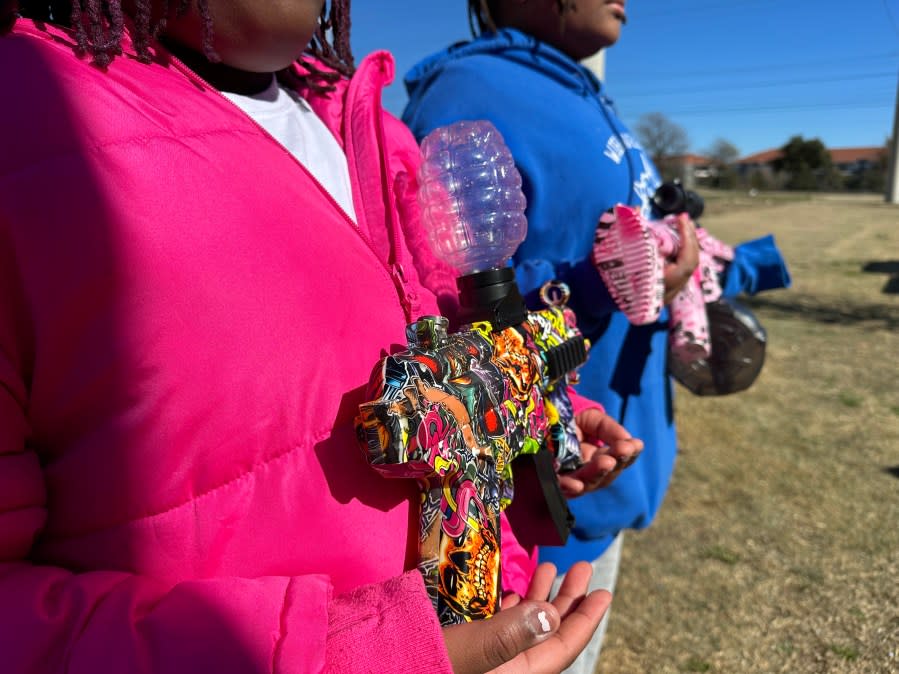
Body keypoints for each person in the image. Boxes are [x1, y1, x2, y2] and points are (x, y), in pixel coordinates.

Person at [0, 1, 652, 672]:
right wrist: (366, 658)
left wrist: (540, 412)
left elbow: (448, 343)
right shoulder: (26, 116)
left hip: (499, 600)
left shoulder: (372, 128)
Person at [402, 1, 702, 670]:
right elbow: (437, 297)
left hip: (606, 468)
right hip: (527, 508)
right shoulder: (469, 95)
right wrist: (605, 281)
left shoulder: (584, 92)